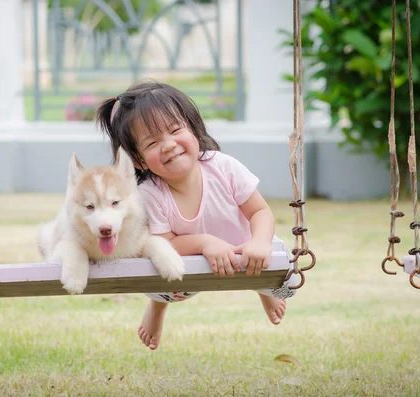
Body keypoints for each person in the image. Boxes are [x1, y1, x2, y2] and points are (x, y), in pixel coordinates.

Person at [96, 80, 296, 350]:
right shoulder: (149, 195)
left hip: (244, 250)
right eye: (153, 142)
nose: (168, 145)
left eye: (175, 130)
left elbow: (260, 211)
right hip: (190, 264)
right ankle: (157, 305)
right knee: (162, 279)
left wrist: (259, 241)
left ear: (192, 128)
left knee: (283, 272)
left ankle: (261, 287)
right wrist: (204, 243)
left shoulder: (222, 167)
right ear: (139, 160)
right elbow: (163, 243)